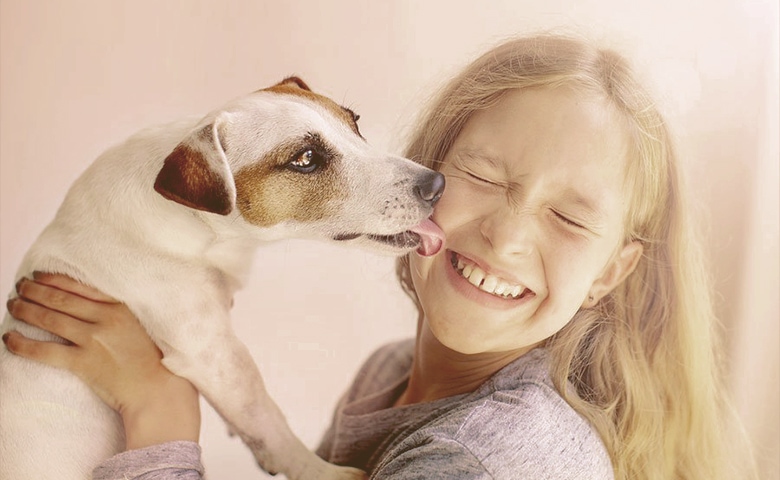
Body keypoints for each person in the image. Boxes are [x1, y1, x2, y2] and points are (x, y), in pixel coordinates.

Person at [3, 32, 754, 479]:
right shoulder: (392, 374)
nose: (508, 236)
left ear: (612, 275)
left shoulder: (486, 462)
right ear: (427, 171)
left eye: (567, 216)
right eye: (482, 177)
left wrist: (158, 412)